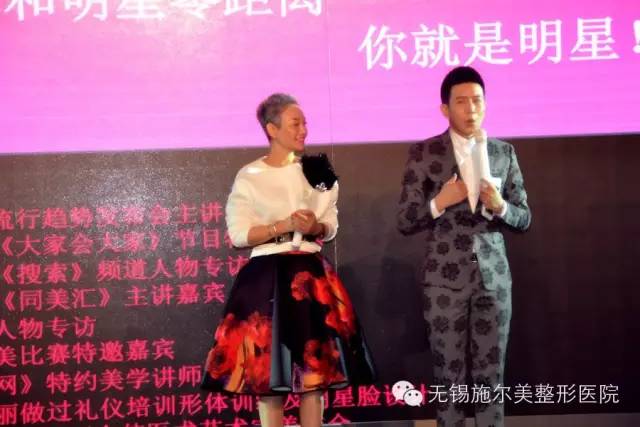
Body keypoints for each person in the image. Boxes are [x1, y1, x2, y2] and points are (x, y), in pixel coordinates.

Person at [202, 93, 376, 427]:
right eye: (295, 123)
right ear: (272, 129)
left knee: (314, 377)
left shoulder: (318, 169)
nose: (303, 130)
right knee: (268, 377)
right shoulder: (250, 175)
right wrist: (281, 226)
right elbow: (239, 234)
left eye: (305, 123)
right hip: (267, 278)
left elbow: (331, 223)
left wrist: (316, 227)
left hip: (310, 276)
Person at [397, 66, 531, 427]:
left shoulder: (503, 152)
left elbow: (524, 218)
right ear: (445, 108)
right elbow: (406, 220)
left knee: (492, 377)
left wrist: (500, 206)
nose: (471, 109)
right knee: (449, 377)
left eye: (477, 100)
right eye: (461, 101)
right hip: (444, 281)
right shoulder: (424, 153)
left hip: (494, 280)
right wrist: (440, 201)